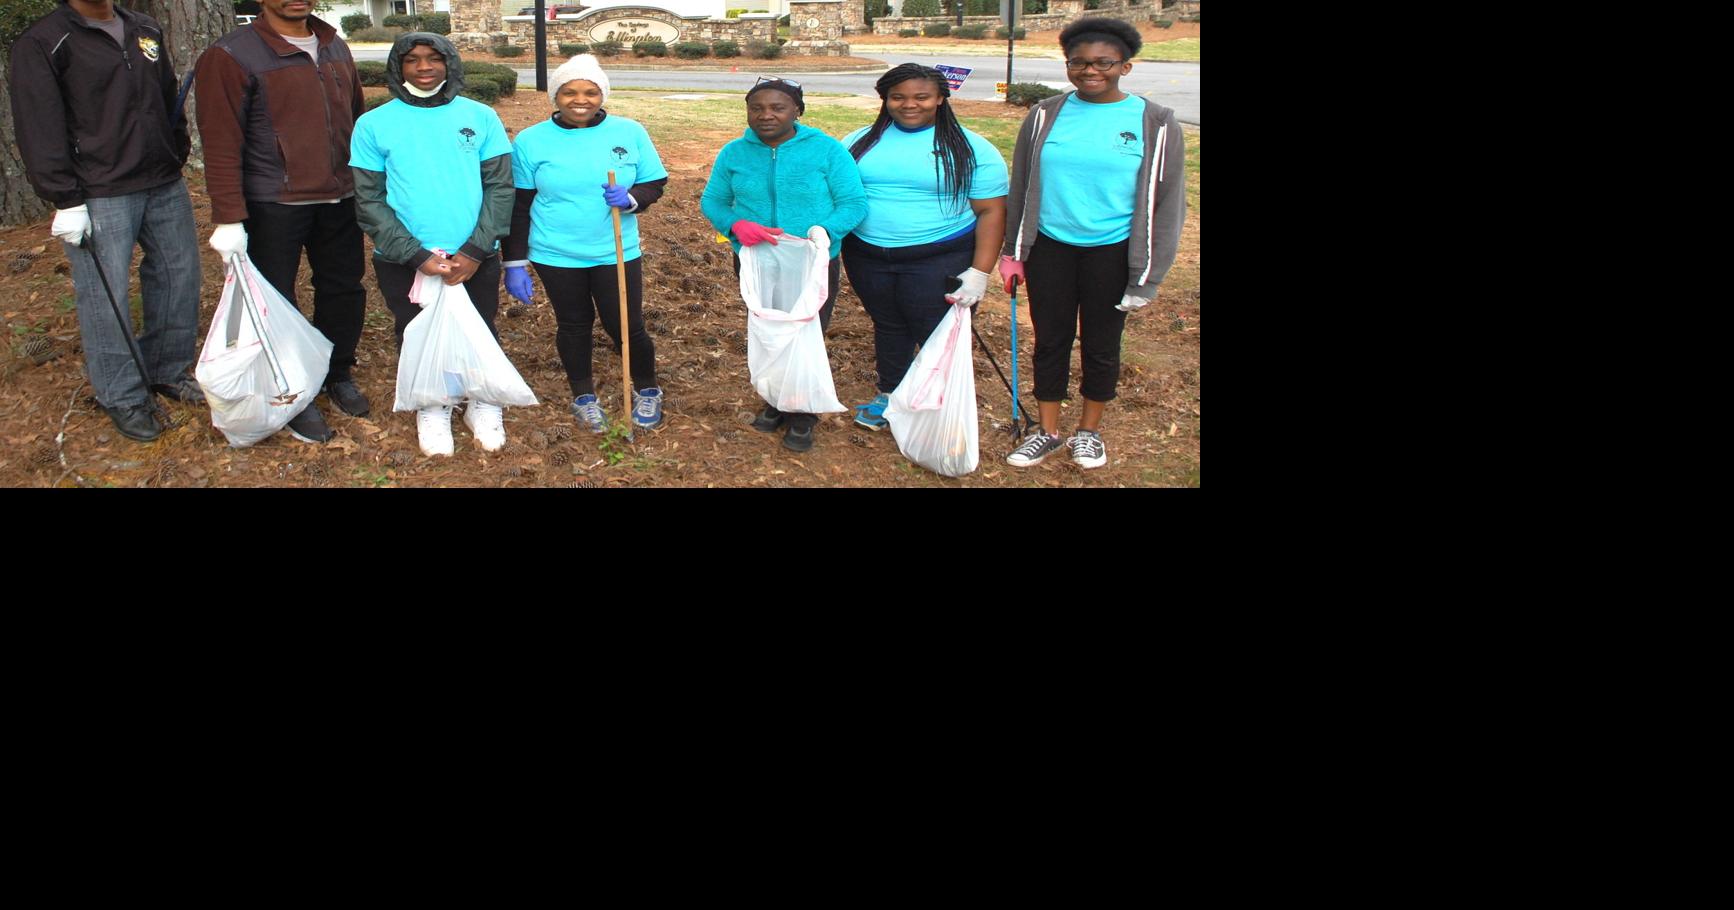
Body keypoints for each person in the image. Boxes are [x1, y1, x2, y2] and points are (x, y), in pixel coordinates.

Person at [8, 0, 203, 443]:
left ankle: (167, 370)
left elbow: (167, 93)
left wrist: (176, 150)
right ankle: (121, 394)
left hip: (162, 178)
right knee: (105, 294)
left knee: (179, 277)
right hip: (98, 190)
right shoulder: (44, 41)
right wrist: (64, 198)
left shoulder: (144, 27)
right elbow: (38, 124)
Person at [999, 18, 1186, 470]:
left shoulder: (1155, 122)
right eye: (1078, 63)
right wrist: (1013, 252)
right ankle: (1047, 432)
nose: (1090, 71)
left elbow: (1168, 202)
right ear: (1067, 65)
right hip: (1051, 248)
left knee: (1102, 345)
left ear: (1126, 66)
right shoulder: (1045, 114)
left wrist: (1148, 277)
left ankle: (1089, 432)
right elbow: (1022, 183)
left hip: (1114, 251)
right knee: (1050, 340)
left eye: (1104, 63)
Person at [195, 0, 370, 445]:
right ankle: (291, 389)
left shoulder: (333, 45)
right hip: (275, 201)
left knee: (343, 287)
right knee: (277, 298)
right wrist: (228, 215)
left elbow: (357, 117)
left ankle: (336, 372)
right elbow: (220, 140)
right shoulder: (233, 54)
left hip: (340, 195)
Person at [349, 32, 515, 457]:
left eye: (434, 58)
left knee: (479, 326)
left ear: (450, 63)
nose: (424, 67)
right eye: (412, 60)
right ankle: (433, 404)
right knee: (414, 330)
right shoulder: (373, 124)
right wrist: (415, 255)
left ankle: (481, 400)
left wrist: (476, 250)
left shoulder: (481, 117)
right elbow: (368, 199)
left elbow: (499, 187)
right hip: (403, 257)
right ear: (397, 68)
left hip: (473, 254)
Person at [502, 55, 670, 434]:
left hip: (615, 251)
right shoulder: (530, 141)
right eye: (570, 91)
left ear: (602, 95)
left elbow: (654, 183)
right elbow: (520, 205)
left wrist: (630, 199)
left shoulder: (629, 132)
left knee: (626, 325)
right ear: (555, 96)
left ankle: (647, 387)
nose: (581, 99)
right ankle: (584, 396)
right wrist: (513, 262)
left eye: (591, 92)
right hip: (555, 253)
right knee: (573, 325)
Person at [700, 76, 866, 453]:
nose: (766, 115)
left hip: (812, 259)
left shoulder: (826, 150)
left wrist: (824, 230)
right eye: (756, 108)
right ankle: (775, 400)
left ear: (798, 111)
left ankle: (803, 414)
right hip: (756, 260)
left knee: (806, 334)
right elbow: (713, 201)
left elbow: (854, 204)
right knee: (769, 332)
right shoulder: (734, 153)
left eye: (778, 107)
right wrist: (734, 226)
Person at [840, 63, 1007, 432]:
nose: (909, 105)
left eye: (921, 97)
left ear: (941, 99)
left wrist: (979, 273)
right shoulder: (857, 141)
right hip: (867, 255)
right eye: (897, 97)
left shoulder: (972, 148)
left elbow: (991, 211)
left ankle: (936, 407)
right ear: (885, 100)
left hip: (939, 255)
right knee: (888, 324)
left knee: (936, 331)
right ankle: (890, 394)